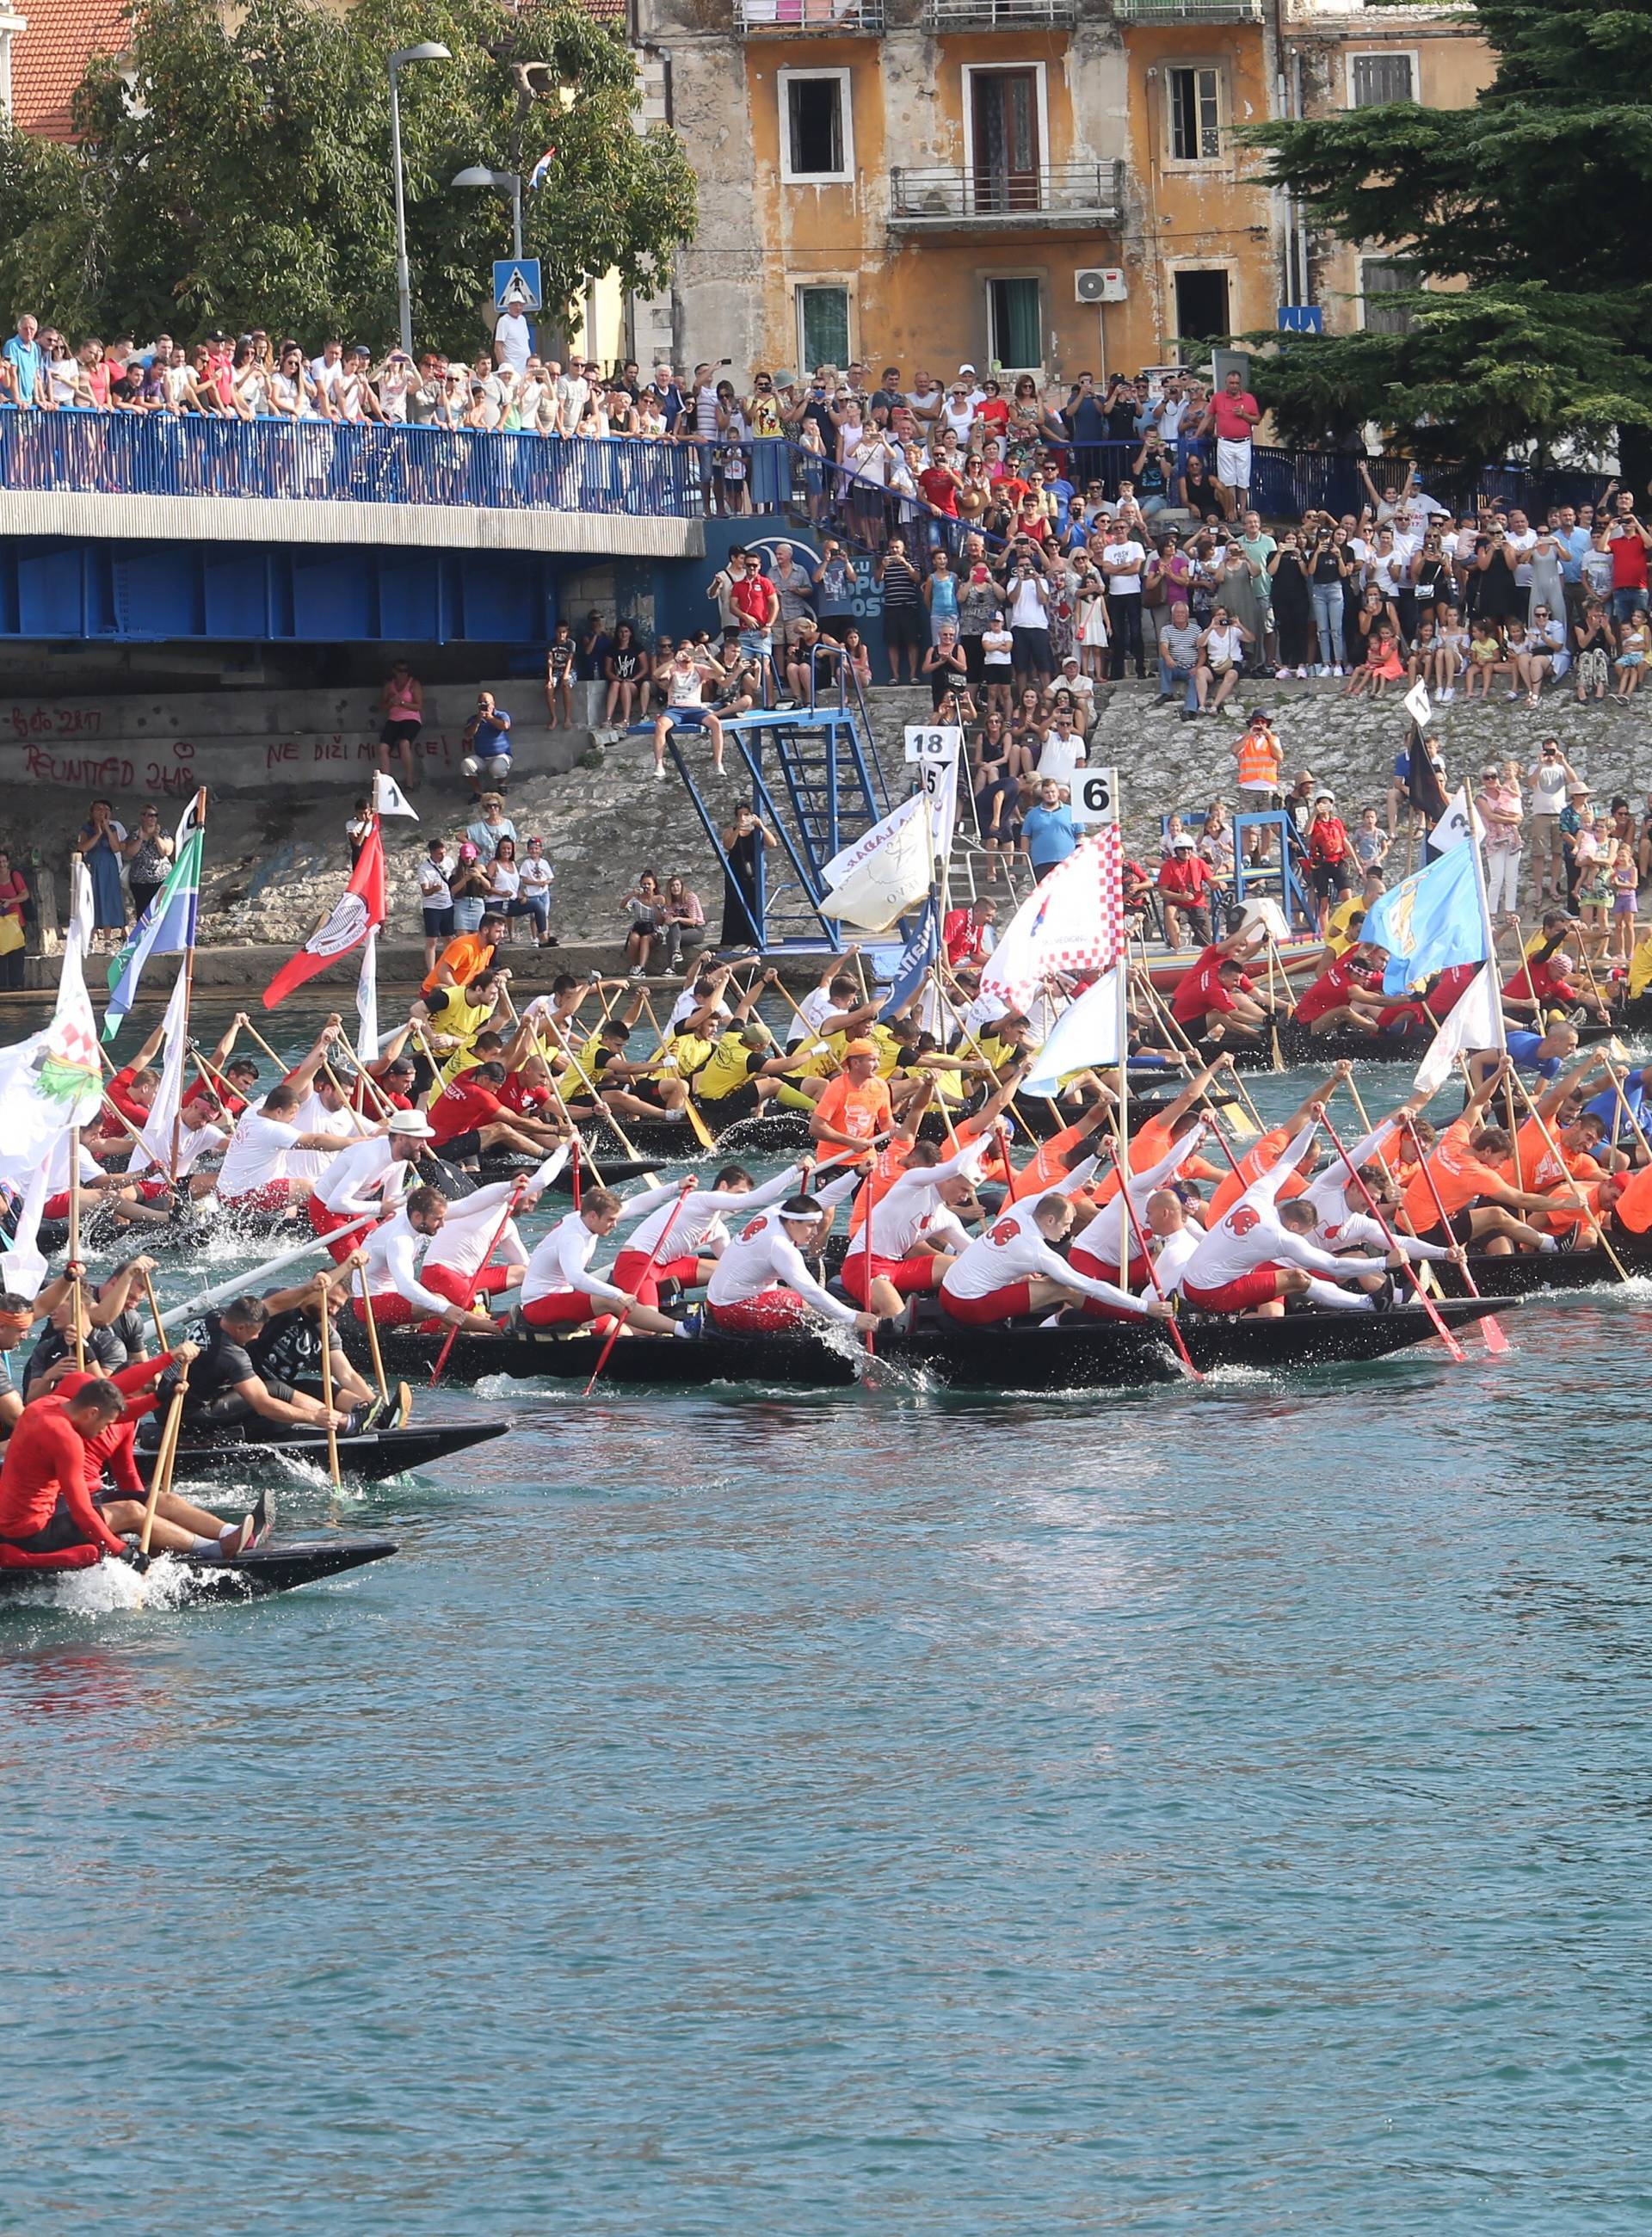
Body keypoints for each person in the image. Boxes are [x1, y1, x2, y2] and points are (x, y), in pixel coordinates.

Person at [1179, 1113, 1399, 1316]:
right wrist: (1383, 1261)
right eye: (1304, 1233)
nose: (1303, 1237)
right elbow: (1333, 1266)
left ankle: (1364, 1301)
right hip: (1211, 1293)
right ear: (1294, 1225)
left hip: (1193, 1279)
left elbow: (1289, 1160)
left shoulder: (1258, 1193)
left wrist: (1312, 1123)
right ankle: (1369, 1304)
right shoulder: (1280, 1238)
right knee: (1298, 1278)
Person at [939, 1190, 1167, 1327]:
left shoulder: (1018, 1210)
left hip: (947, 1292)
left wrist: (1096, 1156)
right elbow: (1090, 1286)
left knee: (1046, 1282)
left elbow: (1061, 1188)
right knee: (1066, 1289)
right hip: (968, 1306)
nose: (1068, 1232)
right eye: (1066, 1224)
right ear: (1049, 1220)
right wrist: (1145, 1306)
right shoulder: (1039, 1251)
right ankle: (1140, 1320)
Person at [705, 1185, 881, 1336]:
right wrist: (853, 1317)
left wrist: (857, 1173)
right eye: (810, 1226)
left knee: (802, 1297)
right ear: (792, 1223)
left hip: (720, 1298)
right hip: (730, 1310)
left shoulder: (776, 1211)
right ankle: (860, 1327)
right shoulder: (780, 1246)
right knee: (806, 1304)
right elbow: (811, 1293)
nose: (814, 1233)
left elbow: (826, 1196)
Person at [516, 1186, 687, 1334]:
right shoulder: (573, 1237)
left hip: (563, 1298)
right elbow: (575, 1278)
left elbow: (635, 1205)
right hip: (539, 1306)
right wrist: (618, 1294)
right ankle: (683, 1329)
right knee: (611, 1299)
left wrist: (676, 1186)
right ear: (593, 1216)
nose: (615, 1225)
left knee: (629, 1333)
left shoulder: (585, 1219)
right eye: (610, 1220)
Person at [720, 803, 775, 947]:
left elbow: (772, 843)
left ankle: (753, 938)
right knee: (734, 905)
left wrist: (761, 826)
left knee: (753, 903)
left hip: (752, 873)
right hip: (736, 871)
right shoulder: (731, 831)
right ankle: (733, 939)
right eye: (740, 815)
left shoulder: (757, 832)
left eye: (746, 814)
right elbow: (729, 845)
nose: (744, 818)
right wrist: (739, 828)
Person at [74, 797, 128, 945]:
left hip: (109, 867)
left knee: (109, 898)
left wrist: (107, 829)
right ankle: (92, 934)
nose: (102, 812)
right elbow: (83, 847)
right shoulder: (86, 828)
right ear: (92, 812)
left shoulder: (113, 828)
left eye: (105, 810)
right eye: (99, 809)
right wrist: (98, 833)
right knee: (94, 898)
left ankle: (108, 937)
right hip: (94, 866)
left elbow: (116, 847)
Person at [1156, 837, 1214, 950]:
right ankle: (1176, 949)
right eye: (1182, 849)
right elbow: (1162, 891)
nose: (1186, 851)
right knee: (1170, 911)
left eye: (1189, 849)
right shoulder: (1168, 866)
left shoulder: (1199, 863)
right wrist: (1180, 897)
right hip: (1180, 906)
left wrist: (1218, 884)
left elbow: (1211, 881)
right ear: (1176, 850)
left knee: (1207, 944)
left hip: (1198, 906)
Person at [1019, 779, 1077, 883]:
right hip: (1041, 863)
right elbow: (1025, 837)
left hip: (1068, 862)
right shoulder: (1032, 814)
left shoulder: (1072, 812)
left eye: (1053, 791)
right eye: (1047, 792)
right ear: (1042, 794)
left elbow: (1080, 836)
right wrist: (1025, 860)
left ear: (1058, 793)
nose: (1050, 795)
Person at [378, 662, 423, 788]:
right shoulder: (389, 686)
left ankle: (409, 781)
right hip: (393, 718)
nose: (403, 673)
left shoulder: (414, 684)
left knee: (404, 743)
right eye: (400, 670)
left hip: (411, 718)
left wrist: (402, 703)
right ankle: (387, 784)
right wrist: (391, 703)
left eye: (405, 671)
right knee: (383, 747)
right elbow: (381, 707)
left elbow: (419, 706)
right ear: (394, 671)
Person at [459, 692, 513, 792]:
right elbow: (468, 734)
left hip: (501, 755)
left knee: (497, 767)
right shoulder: (473, 719)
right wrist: (478, 721)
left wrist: (490, 718)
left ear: (493, 704)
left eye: (486, 703)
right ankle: (478, 792)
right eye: (480, 703)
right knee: (466, 764)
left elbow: (505, 726)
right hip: (481, 757)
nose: (483, 706)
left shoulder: (501, 715)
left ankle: (502, 786)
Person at [0, 847, 28, 989]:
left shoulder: (14, 876)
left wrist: (10, 901)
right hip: (1, 924)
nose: (2, 865)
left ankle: (17, 985)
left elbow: (25, 895)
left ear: (8, 862)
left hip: (16, 922)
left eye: (4, 862)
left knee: (16, 957)